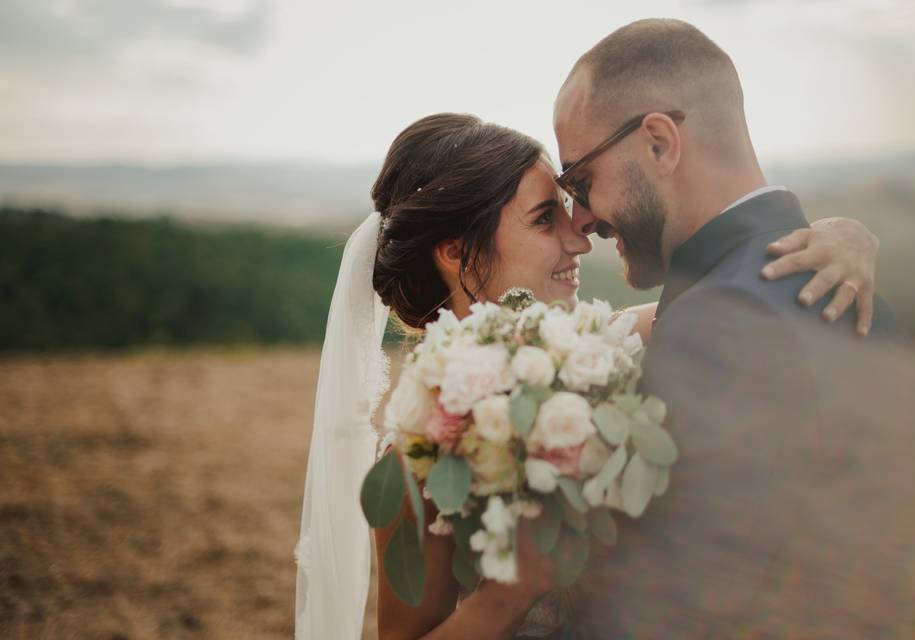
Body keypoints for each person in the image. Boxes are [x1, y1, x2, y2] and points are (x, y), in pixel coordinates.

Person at [294, 112, 882, 640]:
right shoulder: (419, 459)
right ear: (459, 253)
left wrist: (845, 235)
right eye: (545, 218)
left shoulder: (611, 348)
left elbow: (737, 289)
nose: (580, 236)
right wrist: (508, 597)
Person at [552, 19, 915, 637]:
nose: (582, 217)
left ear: (658, 143)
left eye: (579, 181)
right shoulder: (857, 299)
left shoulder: (721, 327)